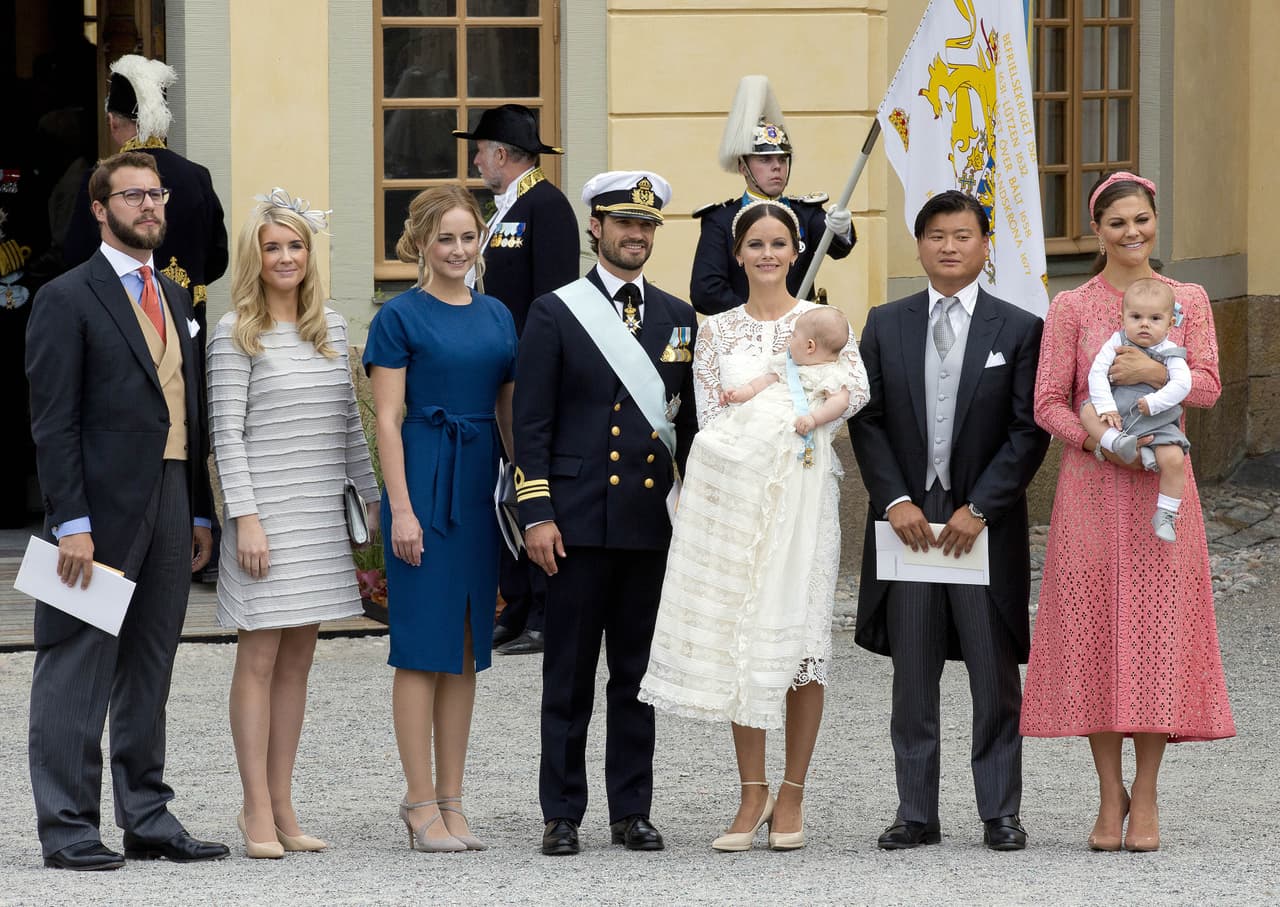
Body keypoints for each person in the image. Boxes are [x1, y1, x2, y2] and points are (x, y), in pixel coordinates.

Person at [639, 202, 868, 852]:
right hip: (741, 498)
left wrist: (807, 414)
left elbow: (857, 389)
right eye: (755, 244)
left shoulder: (820, 320)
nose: (767, 253)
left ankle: (792, 790)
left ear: (796, 250)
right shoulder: (715, 333)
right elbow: (711, 418)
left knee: (803, 641)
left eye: (778, 242)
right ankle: (751, 789)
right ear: (737, 254)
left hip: (805, 497)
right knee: (744, 636)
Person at [1020, 171, 1235, 853]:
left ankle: (1145, 792)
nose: (1131, 232)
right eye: (1117, 222)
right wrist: (1097, 441)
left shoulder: (1187, 298)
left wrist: (1154, 377)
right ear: (1096, 230)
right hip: (1092, 488)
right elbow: (1047, 400)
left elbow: (1208, 386)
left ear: (1155, 219)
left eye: (1141, 219)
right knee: (1097, 634)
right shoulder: (1073, 306)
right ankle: (1107, 792)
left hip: (1163, 492)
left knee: (1156, 633)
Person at [25, 150, 228, 870]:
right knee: (74, 662)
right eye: (133, 196)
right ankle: (69, 824)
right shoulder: (66, 296)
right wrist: (69, 521)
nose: (150, 206)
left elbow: (189, 411)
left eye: (157, 194)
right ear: (99, 209)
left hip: (171, 497)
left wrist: (201, 511)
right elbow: (53, 422)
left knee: (151, 661)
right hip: (94, 512)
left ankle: (146, 812)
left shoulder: (173, 298)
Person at [848, 190, 1049, 852]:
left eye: (963, 235)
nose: (950, 246)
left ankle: (1000, 810)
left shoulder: (1018, 328)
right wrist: (895, 499)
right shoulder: (885, 321)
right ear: (919, 244)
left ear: (985, 245)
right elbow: (868, 420)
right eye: (937, 235)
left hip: (980, 520)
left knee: (992, 671)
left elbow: (1027, 431)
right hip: (908, 515)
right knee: (913, 670)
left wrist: (981, 507)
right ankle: (916, 810)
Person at [513, 170, 697, 857]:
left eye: (647, 226)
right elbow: (530, 423)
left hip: (648, 524)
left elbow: (693, 425)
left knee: (637, 675)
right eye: (624, 223)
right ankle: (561, 812)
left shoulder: (679, 316)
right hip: (575, 523)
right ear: (596, 227)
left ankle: (632, 809)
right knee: (566, 674)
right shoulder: (556, 311)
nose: (636, 235)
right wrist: (536, 514)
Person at [207, 191, 380, 858]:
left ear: (310, 256)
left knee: (299, 659)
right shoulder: (235, 331)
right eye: (273, 246)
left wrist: (370, 502)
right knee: (258, 657)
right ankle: (254, 806)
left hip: (318, 515)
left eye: (296, 246)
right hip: (265, 515)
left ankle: (284, 803)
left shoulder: (331, 328)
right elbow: (226, 434)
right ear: (257, 257)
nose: (285, 257)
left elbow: (348, 429)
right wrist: (244, 518)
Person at [364, 186, 517, 853]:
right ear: (422, 243)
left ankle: (453, 799)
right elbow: (388, 420)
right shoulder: (398, 317)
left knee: (464, 650)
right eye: (446, 238)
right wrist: (400, 507)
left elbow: (509, 412)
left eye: (468, 236)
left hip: (480, 485)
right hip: (425, 478)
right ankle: (418, 799)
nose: (459, 249)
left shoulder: (498, 315)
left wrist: (528, 492)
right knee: (422, 647)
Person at [63, 54, 229, 583]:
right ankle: (197, 531)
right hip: (190, 320)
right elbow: (221, 255)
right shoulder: (197, 176)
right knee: (189, 422)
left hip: (126, 329)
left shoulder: (104, 179)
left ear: (116, 122)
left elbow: (73, 257)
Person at [453, 103, 581, 656]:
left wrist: (535, 367)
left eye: (480, 150)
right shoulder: (507, 206)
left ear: (501, 155)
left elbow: (551, 300)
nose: (476, 160)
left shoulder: (546, 206)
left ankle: (546, 611)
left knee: (530, 482)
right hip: (497, 368)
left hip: (527, 370)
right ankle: (517, 603)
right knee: (502, 487)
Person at [690, 75, 855, 316]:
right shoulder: (722, 219)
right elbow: (706, 290)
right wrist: (758, 316)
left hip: (801, 330)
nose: (776, 167)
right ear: (743, 167)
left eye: (781, 159)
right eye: (765, 160)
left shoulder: (805, 213)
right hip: (745, 334)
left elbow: (839, 249)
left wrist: (841, 228)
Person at [1078, 277, 1191, 542]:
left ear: (1169, 323)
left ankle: (1166, 514)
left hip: (1156, 421)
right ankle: (1115, 443)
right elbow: (1097, 373)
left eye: (1154, 319)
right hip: (1117, 417)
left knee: (1174, 459)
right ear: (1123, 318)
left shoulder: (1171, 352)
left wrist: (1154, 402)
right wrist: (1106, 407)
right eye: (1136, 316)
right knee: (1087, 412)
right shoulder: (1116, 342)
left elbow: (1182, 385)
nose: (1144, 324)